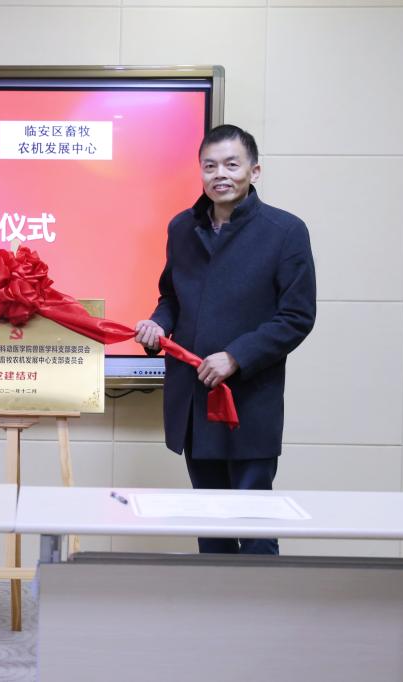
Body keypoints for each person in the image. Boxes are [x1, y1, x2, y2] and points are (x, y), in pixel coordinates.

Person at [135, 125, 316, 555]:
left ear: (255, 171)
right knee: (210, 527)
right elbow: (171, 297)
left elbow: (297, 317)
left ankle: (259, 601)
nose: (221, 174)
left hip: (247, 403)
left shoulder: (285, 231)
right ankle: (215, 601)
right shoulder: (182, 228)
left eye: (232, 165)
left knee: (254, 527)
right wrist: (157, 325)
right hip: (194, 400)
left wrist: (236, 356)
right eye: (210, 166)